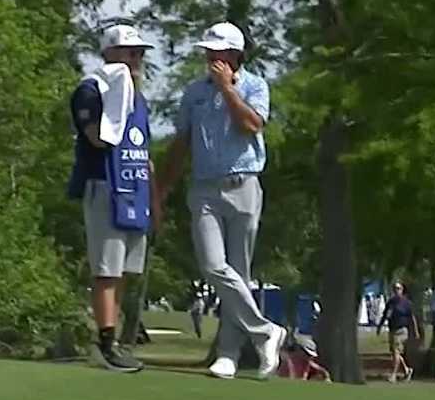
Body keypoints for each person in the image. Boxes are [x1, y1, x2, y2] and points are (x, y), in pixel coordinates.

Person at [153, 22, 285, 380]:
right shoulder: (194, 93)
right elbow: (181, 143)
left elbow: (251, 125)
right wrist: (160, 190)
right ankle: (264, 332)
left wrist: (228, 90)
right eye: (208, 51)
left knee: (238, 273)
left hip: (244, 184)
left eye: (218, 51)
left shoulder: (255, 85)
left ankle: (227, 353)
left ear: (235, 55)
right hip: (204, 187)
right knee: (213, 266)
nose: (210, 57)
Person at [67, 24, 157, 374]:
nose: (136, 59)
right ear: (109, 54)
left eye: (139, 53)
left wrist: (155, 195)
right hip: (105, 184)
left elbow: (143, 147)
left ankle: (115, 339)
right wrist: (118, 93)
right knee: (106, 269)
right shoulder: (93, 90)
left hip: (135, 188)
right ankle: (105, 343)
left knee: (124, 271)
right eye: (129, 52)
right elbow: (98, 138)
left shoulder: (138, 97)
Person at [378, 282, 420, 382]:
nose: (396, 290)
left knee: (396, 352)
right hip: (392, 329)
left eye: (398, 288)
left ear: (402, 290)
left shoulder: (406, 303)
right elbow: (385, 314)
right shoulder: (391, 302)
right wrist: (380, 326)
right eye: (395, 288)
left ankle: (393, 375)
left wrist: (415, 331)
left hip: (402, 330)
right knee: (395, 353)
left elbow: (412, 317)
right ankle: (407, 370)